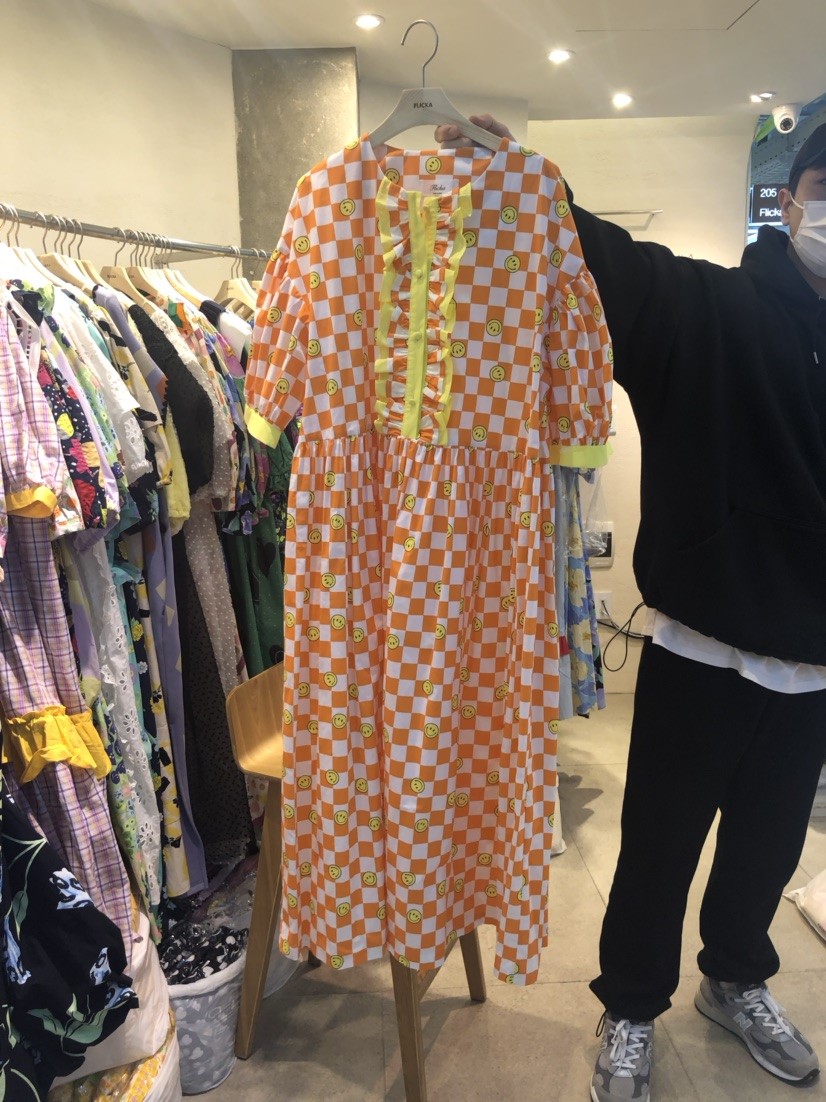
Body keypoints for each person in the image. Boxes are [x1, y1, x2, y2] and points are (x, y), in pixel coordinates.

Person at [435, 115, 826, 1101]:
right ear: (790, 203)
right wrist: (527, 189)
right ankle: (632, 1006)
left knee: (768, 847)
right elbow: (612, 270)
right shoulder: (714, 309)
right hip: (701, 646)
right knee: (658, 845)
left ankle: (734, 978)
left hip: (817, 662)